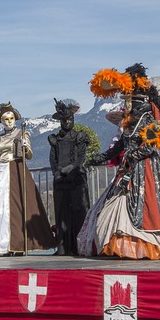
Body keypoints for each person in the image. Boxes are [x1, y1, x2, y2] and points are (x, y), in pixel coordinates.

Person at [78, 64, 160, 259]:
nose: (125, 104)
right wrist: (101, 157)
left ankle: (145, 245)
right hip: (128, 170)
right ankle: (121, 245)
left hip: (146, 169)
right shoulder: (129, 123)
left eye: (127, 100)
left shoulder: (149, 119)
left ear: (136, 101)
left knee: (147, 209)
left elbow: (151, 146)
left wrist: (134, 156)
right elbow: (119, 146)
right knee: (113, 206)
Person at [0, 102, 56, 255]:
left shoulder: (22, 133)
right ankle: (0, 244)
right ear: (1, 121)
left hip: (16, 170)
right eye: (6, 119)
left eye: (11, 119)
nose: (9, 122)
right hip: (2, 173)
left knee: (17, 207)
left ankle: (18, 243)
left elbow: (29, 156)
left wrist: (25, 146)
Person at [48, 98, 90, 255]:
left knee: (79, 212)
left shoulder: (80, 137)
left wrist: (69, 170)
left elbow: (81, 158)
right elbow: (53, 158)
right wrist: (57, 172)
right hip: (60, 181)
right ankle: (63, 247)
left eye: (69, 120)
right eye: (64, 120)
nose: (67, 123)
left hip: (76, 179)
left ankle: (80, 247)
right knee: (61, 212)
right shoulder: (55, 139)